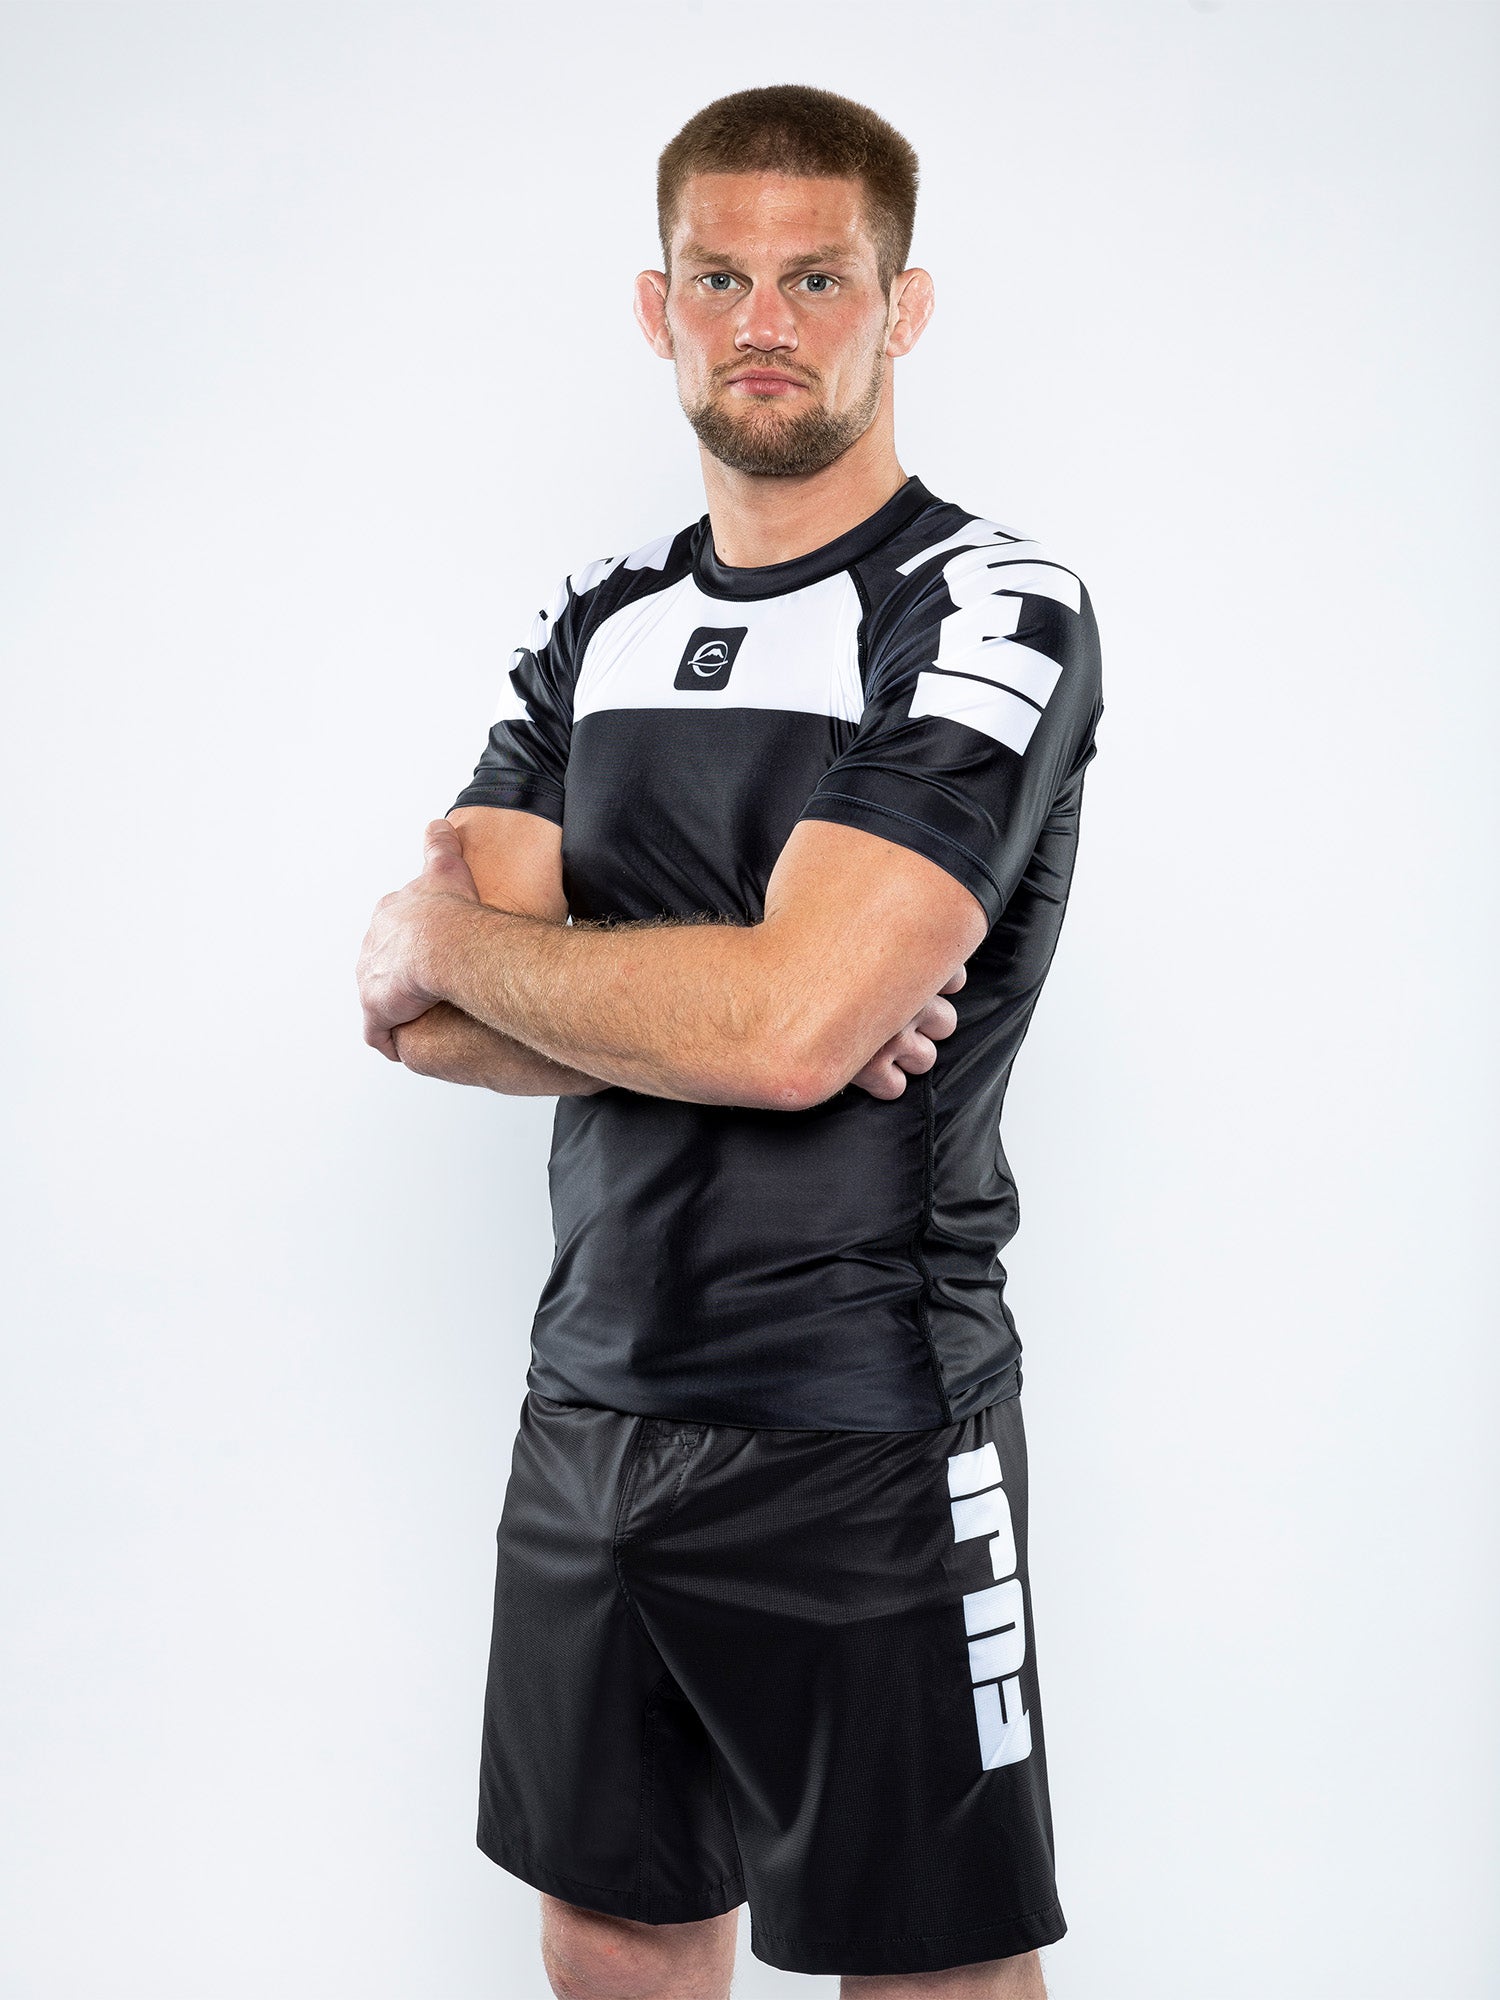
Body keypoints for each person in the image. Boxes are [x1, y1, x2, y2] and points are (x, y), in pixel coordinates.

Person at [357, 83, 1102, 2000]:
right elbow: (429, 1008)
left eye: (816, 277)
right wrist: (703, 991)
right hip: (590, 1394)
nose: (764, 318)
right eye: (721, 276)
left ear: (899, 307)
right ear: (657, 303)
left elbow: (785, 1034)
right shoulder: (597, 624)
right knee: (610, 1924)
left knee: (929, 1965)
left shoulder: (981, 607)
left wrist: (602, 974)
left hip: (864, 1415)